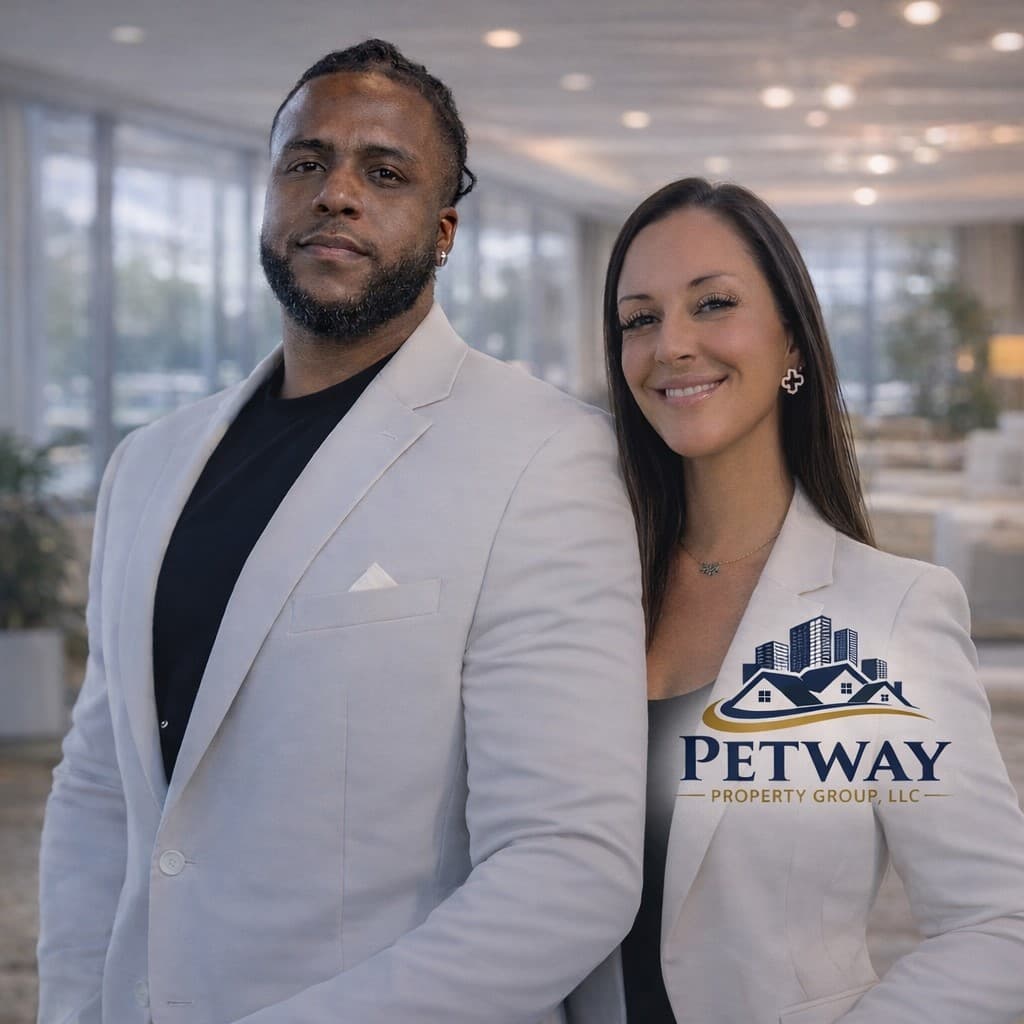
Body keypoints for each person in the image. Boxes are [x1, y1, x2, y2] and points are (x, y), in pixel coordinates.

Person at [37, 40, 647, 1024]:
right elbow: (99, 788)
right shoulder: (147, 462)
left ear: (443, 231)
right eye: (306, 162)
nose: (337, 194)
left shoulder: (543, 456)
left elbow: (567, 863)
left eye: (385, 172)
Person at [604, 176, 1024, 1023]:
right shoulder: (581, 588)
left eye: (712, 303)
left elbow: (997, 925)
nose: (672, 344)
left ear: (792, 341)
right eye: (640, 318)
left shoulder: (889, 613)